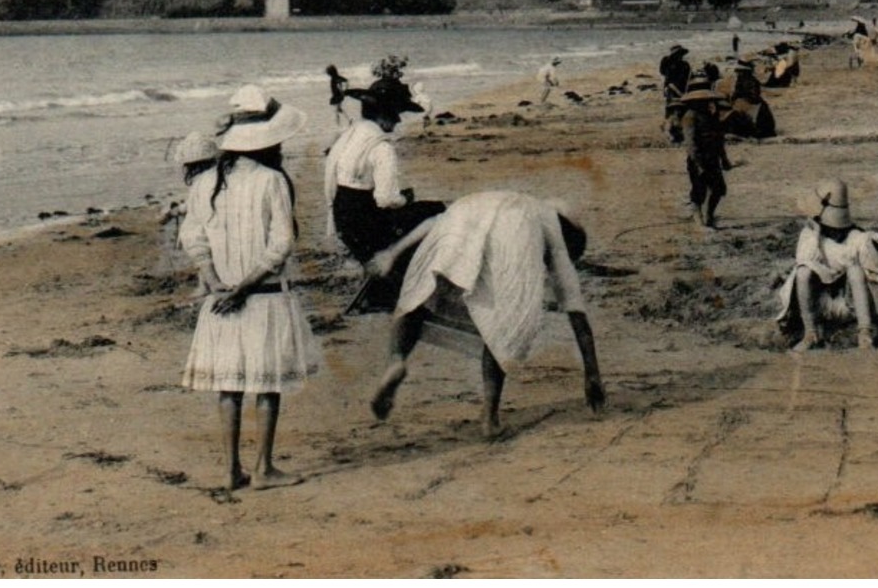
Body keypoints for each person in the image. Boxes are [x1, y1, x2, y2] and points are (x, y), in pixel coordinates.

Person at [365, 191, 605, 439]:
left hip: (461, 214)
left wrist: (391, 254)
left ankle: (397, 359)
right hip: (510, 233)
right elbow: (576, 310)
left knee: (420, 295)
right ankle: (489, 418)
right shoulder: (551, 226)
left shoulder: (508, 197)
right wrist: (592, 373)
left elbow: (433, 222)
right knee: (500, 324)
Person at [180, 86, 320, 491]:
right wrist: (243, 287)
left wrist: (212, 279)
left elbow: (193, 235)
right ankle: (263, 468)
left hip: (220, 299)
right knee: (266, 382)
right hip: (263, 297)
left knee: (229, 384)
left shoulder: (205, 181)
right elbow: (282, 244)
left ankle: (230, 469)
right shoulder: (273, 180)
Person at [325, 78, 442, 274]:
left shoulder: (351, 133)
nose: (398, 120)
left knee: (410, 211)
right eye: (396, 114)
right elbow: (385, 199)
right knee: (437, 212)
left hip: (343, 218)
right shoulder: (381, 147)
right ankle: (390, 256)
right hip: (366, 224)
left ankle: (381, 265)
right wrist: (405, 199)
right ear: (384, 114)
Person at [774, 179, 878, 352]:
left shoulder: (858, 238)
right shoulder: (811, 236)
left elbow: (876, 278)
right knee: (803, 271)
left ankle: (864, 333)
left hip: (850, 307)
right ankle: (811, 333)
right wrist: (816, 235)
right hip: (820, 305)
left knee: (856, 270)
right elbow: (804, 260)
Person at [160, 131, 220, 280]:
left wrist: (174, 212)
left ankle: (208, 282)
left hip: (210, 232)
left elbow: (195, 207)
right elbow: (195, 204)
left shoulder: (201, 183)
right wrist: (179, 209)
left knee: (194, 235)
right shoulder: (219, 177)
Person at [679, 77, 732, 229]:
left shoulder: (711, 115)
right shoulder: (690, 116)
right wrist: (698, 164)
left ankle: (709, 215)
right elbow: (691, 143)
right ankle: (698, 218)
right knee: (699, 189)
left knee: (719, 189)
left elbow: (718, 139)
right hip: (699, 159)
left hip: (712, 157)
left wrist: (724, 158)